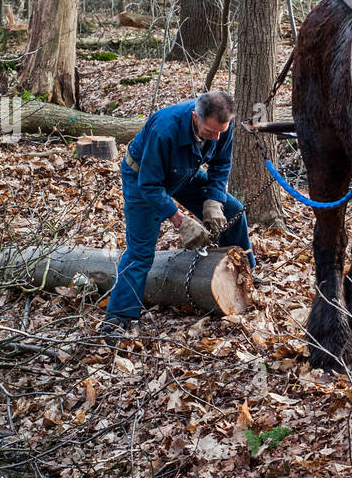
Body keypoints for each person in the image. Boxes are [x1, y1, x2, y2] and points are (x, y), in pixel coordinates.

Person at [102, 90, 255, 346]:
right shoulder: (165, 129)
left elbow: (221, 165)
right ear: (195, 117)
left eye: (222, 131)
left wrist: (213, 202)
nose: (217, 137)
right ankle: (117, 319)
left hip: (184, 171)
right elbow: (150, 185)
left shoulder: (221, 126)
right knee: (141, 253)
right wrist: (180, 220)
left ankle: (246, 274)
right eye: (211, 132)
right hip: (143, 177)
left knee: (234, 212)